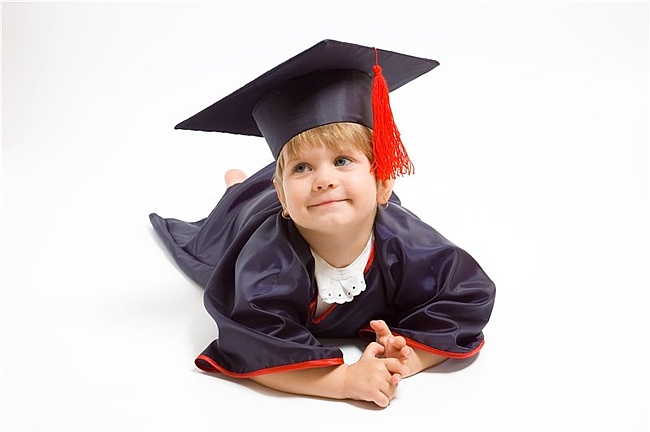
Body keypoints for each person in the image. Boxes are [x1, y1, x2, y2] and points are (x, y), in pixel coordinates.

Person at [150, 39, 496, 408]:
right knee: (238, 203)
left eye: (343, 160)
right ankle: (237, 185)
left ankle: (256, 178)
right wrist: (343, 380)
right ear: (284, 198)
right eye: (303, 167)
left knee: (302, 187)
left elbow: (465, 297)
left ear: (383, 182)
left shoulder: (409, 243)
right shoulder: (267, 262)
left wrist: (410, 356)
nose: (324, 179)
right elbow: (254, 343)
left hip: (309, 198)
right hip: (252, 212)